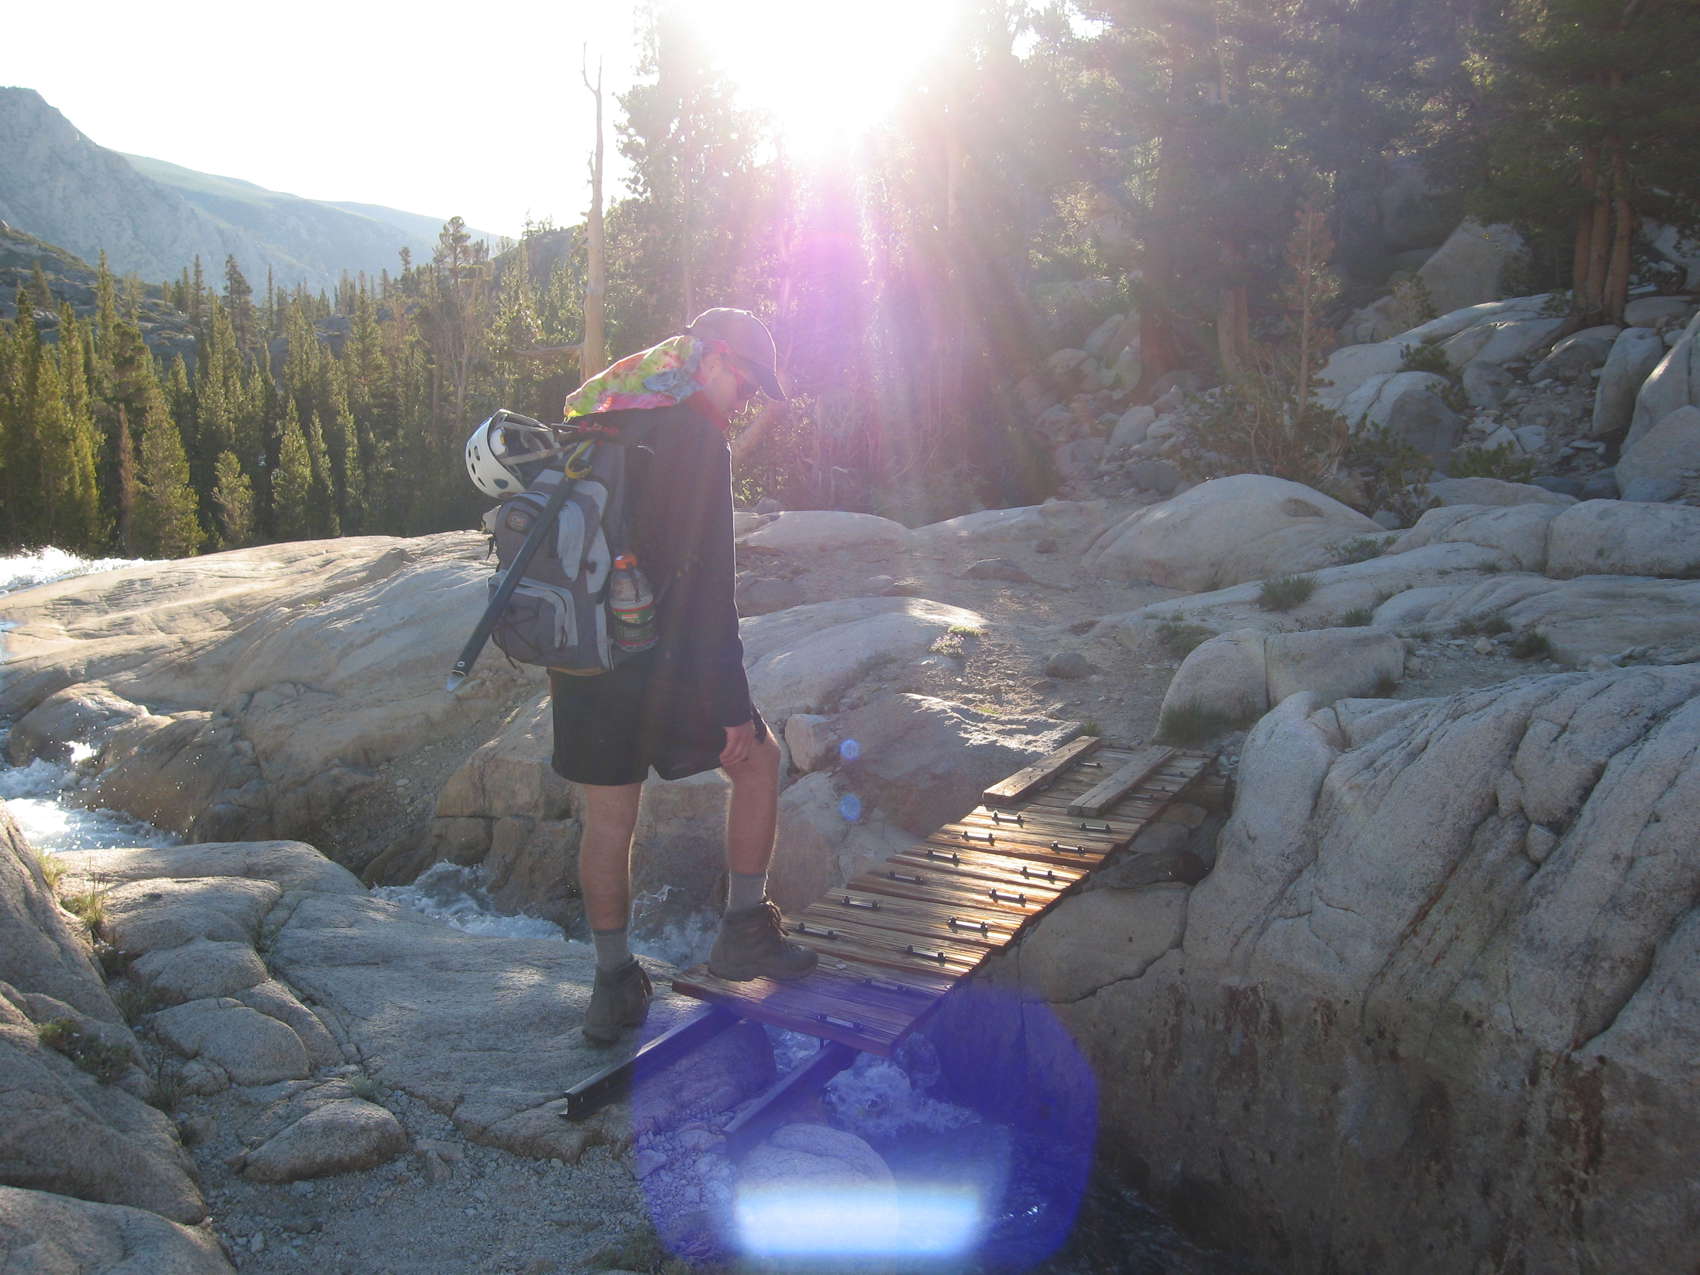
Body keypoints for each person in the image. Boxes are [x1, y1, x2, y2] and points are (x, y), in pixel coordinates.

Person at [550, 308, 818, 1045]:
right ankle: (744, 932)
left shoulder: (600, 413)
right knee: (758, 761)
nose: (743, 401)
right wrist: (731, 703)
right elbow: (707, 586)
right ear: (715, 359)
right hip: (660, 658)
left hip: (584, 656)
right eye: (746, 384)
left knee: (609, 820)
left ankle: (612, 986)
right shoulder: (697, 437)